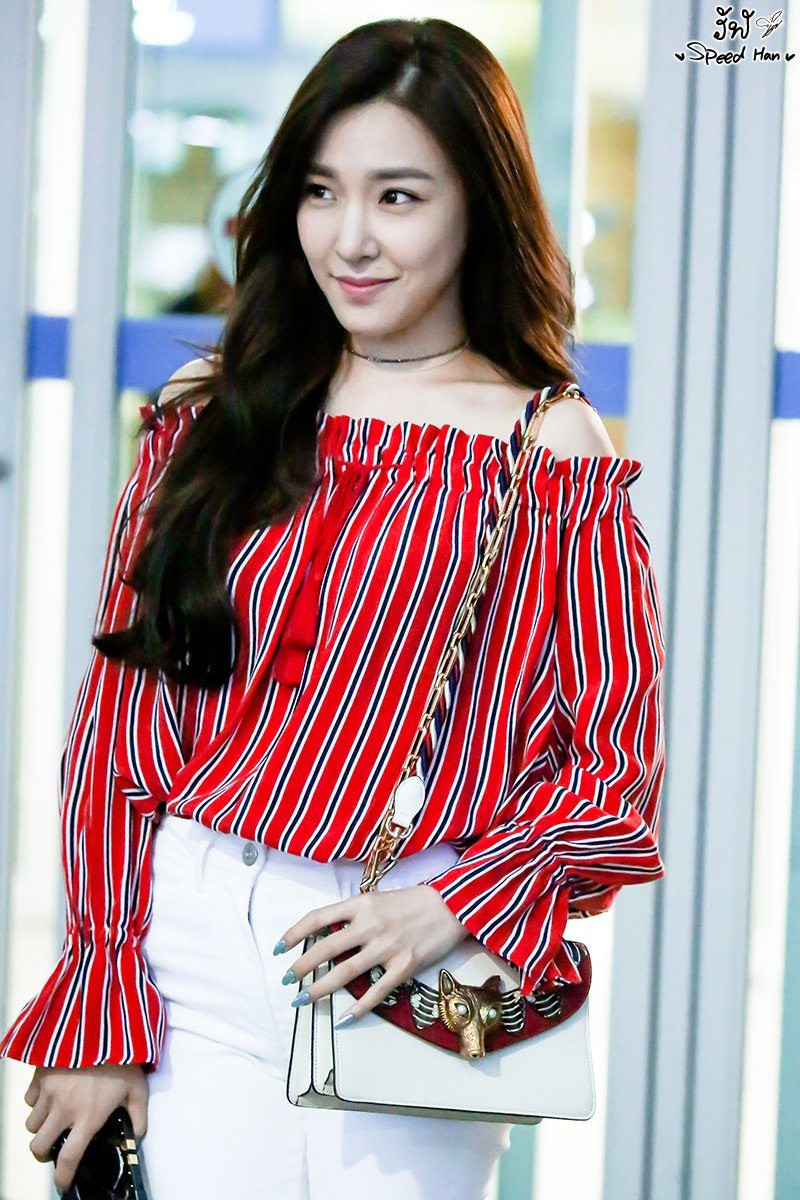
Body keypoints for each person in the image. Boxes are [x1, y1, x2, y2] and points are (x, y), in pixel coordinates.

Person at [0, 16, 667, 1200]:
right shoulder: (213, 414)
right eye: (319, 191)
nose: (348, 237)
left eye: (397, 197)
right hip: (190, 933)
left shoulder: (549, 448)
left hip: (402, 949)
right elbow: (121, 726)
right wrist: (101, 992)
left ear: (477, 207)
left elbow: (614, 772)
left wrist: (451, 904)